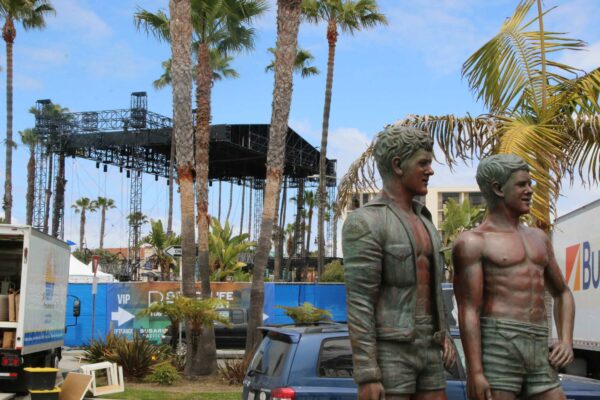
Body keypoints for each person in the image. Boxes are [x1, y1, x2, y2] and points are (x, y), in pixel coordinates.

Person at [343, 124, 455, 400]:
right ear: (397, 165)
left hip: (430, 346)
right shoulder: (365, 221)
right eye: (423, 163)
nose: (430, 171)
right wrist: (367, 373)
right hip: (390, 350)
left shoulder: (426, 220)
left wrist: (444, 334)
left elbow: (433, 289)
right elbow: (360, 302)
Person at [453, 154, 575, 400]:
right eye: (522, 185)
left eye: (530, 184)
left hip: (539, 346)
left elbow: (562, 292)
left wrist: (566, 341)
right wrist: (475, 372)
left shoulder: (539, 238)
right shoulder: (473, 242)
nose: (530, 190)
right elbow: (469, 310)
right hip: (498, 346)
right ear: (498, 188)